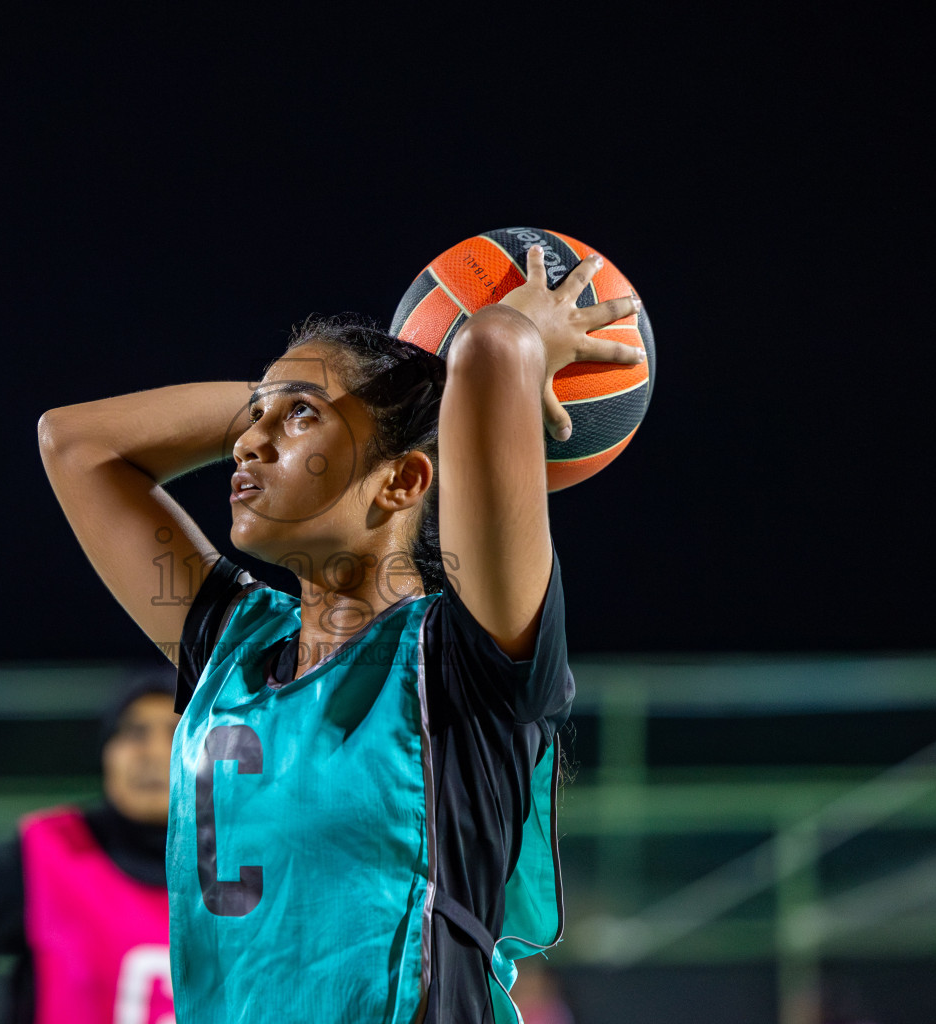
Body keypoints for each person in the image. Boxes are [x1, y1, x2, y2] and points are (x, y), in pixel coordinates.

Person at [38, 246, 643, 1023]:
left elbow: (492, 346)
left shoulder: (462, 657)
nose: (250, 442)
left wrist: (507, 339)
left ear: (401, 481)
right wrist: (282, 399)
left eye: (298, 417)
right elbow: (75, 445)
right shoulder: (234, 644)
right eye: (252, 419)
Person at [0, 675, 180, 1024]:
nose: (155, 753)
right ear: (105, 752)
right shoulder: (45, 853)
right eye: (134, 733)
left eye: (176, 733)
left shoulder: (245, 865)